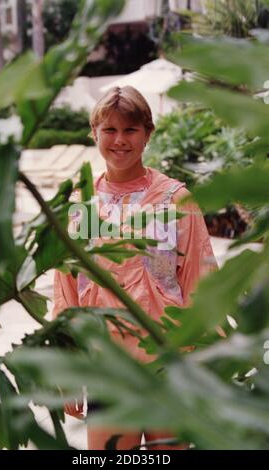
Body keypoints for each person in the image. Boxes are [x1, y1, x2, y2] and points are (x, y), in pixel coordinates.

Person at [53, 86, 218, 450]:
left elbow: (202, 281)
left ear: (148, 133)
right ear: (93, 134)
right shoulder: (80, 205)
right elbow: (66, 290)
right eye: (109, 130)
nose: (120, 140)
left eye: (130, 130)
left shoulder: (176, 199)